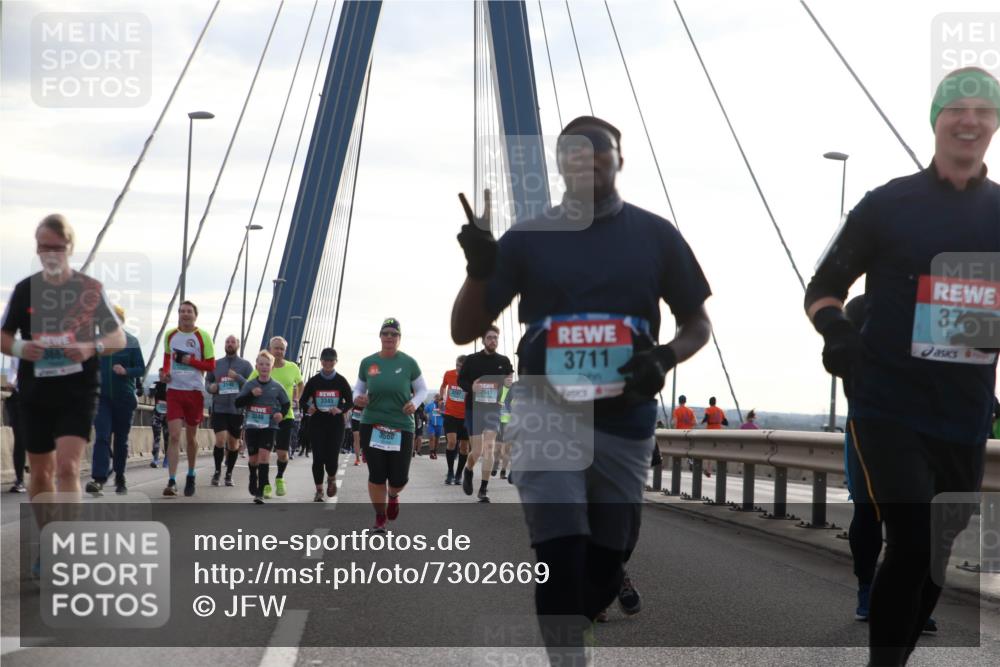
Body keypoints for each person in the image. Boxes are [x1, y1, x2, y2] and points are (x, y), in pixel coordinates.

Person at [451, 115, 712, 660]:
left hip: (624, 420)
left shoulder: (657, 235)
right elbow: (463, 330)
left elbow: (697, 323)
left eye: (601, 150)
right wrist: (479, 269)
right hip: (547, 415)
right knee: (560, 551)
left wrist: (665, 356)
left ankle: (584, 611)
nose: (588, 159)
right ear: (559, 165)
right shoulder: (526, 240)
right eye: (574, 152)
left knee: (605, 562)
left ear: (620, 159)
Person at [804, 67, 999, 665]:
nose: (969, 119)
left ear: (994, 125)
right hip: (886, 403)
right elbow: (824, 286)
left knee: (935, 555)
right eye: (956, 108)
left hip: (965, 415)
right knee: (912, 542)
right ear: (936, 120)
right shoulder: (887, 204)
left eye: (983, 110)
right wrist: (837, 333)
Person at [1, 214, 125, 576]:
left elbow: (116, 337)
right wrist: (24, 349)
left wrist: (91, 347)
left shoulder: (88, 290)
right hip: (36, 390)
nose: (50, 253)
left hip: (78, 390)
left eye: (56, 247)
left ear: (69, 248)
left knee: (68, 467)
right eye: (43, 247)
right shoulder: (26, 289)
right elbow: (4, 336)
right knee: (41, 474)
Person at [352, 318, 428, 533]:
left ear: (399, 338)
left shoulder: (409, 363)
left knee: (398, 478)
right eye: (385, 333)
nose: (389, 337)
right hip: (372, 423)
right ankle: (380, 517)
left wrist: (414, 403)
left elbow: (422, 389)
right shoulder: (368, 362)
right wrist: (358, 398)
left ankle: (393, 495)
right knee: (376, 474)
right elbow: (358, 389)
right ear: (380, 336)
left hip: (401, 425)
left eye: (394, 334)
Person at [86, 305, 145, 495]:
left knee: (121, 440)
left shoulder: (131, 341)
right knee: (102, 436)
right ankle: (98, 479)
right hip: (101, 398)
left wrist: (126, 371)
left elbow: (141, 369)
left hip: (124, 398)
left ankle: (120, 475)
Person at [162, 301, 215, 497]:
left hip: (194, 391)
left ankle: (191, 474)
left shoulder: (203, 337)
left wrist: (190, 361)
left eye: (189, 311)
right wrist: (165, 373)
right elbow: (167, 361)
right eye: (182, 311)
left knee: (191, 437)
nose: (185, 314)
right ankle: (172, 480)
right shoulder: (171, 335)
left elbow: (210, 366)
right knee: (174, 436)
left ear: (195, 315)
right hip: (174, 390)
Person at [458, 325, 514, 502]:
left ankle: (483, 489)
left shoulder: (504, 361)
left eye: (495, 338)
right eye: (489, 337)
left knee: (489, 448)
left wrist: (508, 383)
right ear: (483, 340)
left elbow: (509, 381)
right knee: (477, 450)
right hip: (473, 408)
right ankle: (468, 469)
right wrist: (471, 387)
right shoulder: (472, 360)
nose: (493, 341)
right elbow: (461, 380)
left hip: (493, 409)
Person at [248, 336, 303, 498]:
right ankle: (264, 485)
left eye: (282, 349)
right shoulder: (264, 366)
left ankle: (279, 477)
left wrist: (297, 399)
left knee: (282, 454)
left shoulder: (293, 367)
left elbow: (300, 383)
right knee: (262, 454)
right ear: (270, 349)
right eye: (276, 348)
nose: (279, 351)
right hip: (264, 417)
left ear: (285, 351)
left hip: (285, 416)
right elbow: (248, 385)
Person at [234, 350, 290, 504]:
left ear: (272, 367)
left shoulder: (276, 387)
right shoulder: (249, 385)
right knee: (253, 460)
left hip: (269, 426)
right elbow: (238, 403)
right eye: (261, 364)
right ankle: (253, 477)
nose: (264, 367)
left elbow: (286, 404)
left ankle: (262, 489)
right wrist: (251, 394)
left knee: (264, 457)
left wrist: (281, 414)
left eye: (268, 364)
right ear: (257, 366)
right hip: (252, 427)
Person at [300, 347, 353, 502]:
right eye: (325, 360)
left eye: (331, 360)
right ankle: (319, 491)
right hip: (317, 423)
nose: (328, 363)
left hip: (335, 424)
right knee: (318, 458)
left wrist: (341, 409)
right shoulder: (314, 381)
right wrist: (307, 407)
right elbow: (303, 400)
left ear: (335, 362)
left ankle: (331, 478)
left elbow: (350, 402)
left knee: (331, 458)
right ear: (321, 361)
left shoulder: (341, 381)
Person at [205, 334, 252, 487]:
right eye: (227, 341)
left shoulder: (245, 365)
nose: (230, 344)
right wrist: (210, 387)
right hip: (219, 408)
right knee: (220, 439)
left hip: (236, 410)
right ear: (224, 345)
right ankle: (217, 471)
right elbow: (208, 380)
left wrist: (237, 376)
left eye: (232, 342)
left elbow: (250, 385)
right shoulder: (216, 364)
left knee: (233, 445)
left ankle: (229, 474)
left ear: (237, 345)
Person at [440, 355, 470, 485]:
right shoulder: (449, 374)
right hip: (450, 414)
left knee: (464, 448)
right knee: (452, 442)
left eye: (462, 367)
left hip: (466, 417)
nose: (459, 368)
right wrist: (442, 398)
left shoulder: (471, 378)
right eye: (457, 365)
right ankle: (450, 472)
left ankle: (459, 474)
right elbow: (443, 387)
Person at [4, 359, 27, 493]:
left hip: (38, 398)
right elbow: (12, 370)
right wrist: (11, 381)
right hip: (17, 398)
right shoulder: (17, 349)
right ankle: (20, 479)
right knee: (19, 439)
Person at [700, 396, 728, 476]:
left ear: (709, 402)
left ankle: (708, 469)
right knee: (717, 450)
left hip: (710, 431)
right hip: (718, 431)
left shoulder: (708, 409)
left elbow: (707, 417)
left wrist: (702, 422)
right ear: (715, 402)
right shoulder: (720, 410)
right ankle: (715, 469)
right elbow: (726, 422)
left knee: (709, 450)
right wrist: (718, 421)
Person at [149, 368, 168, 467]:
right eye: (159, 375)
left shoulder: (171, 386)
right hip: (157, 414)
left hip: (168, 416)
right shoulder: (155, 384)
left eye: (162, 375)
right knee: (157, 437)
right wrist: (151, 391)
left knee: (167, 438)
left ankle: (166, 459)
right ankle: (155, 459)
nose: (160, 377)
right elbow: (150, 396)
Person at [424, 393, 444, 460]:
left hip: (439, 424)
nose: (437, 398)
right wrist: (426, 418)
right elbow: (424, 411)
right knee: (432, 437)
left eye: (438, 397)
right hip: (431, 424)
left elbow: (446, 413)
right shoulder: (430, 404)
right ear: (434, 398)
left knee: (437, 439)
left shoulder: (442, 405)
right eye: (436, 397)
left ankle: (435, 451)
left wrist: (441, 412)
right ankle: (431, 453)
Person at [349, 398, 365, 465]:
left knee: (366, 438)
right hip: (356, 417)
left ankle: (365, 454)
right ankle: (357, 459)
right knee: (356, 438)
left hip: (367, 417)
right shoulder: (358, 391)